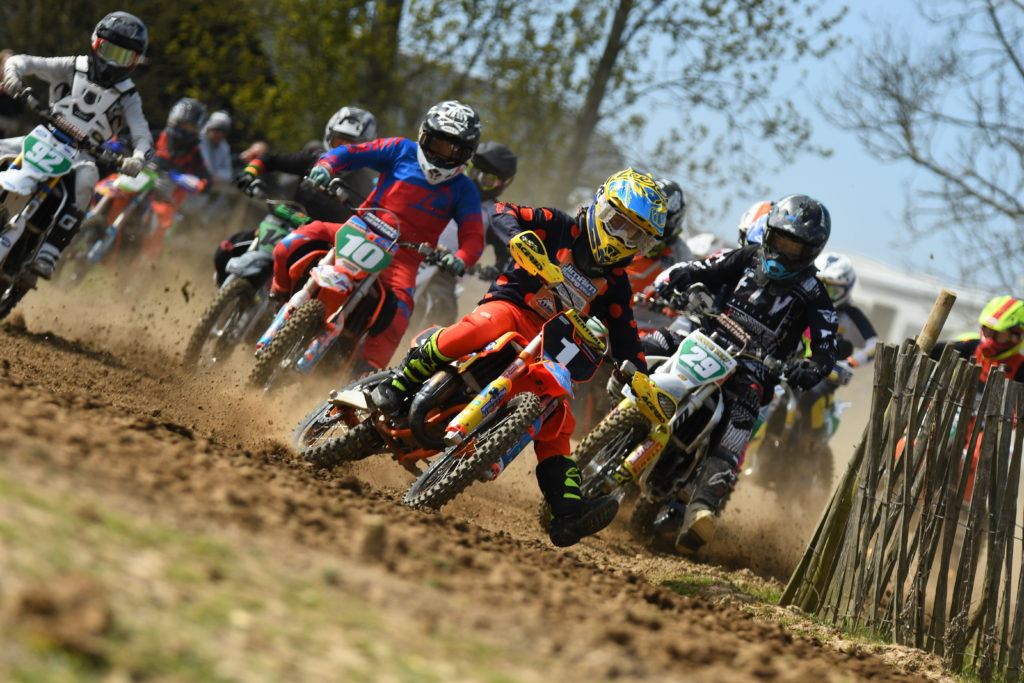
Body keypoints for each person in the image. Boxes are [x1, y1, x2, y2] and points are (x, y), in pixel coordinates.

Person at [371, 168, 668, 547]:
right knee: (479, 329)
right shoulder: (560, 226)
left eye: (636, 235)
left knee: (558, 416)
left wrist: (640, 378)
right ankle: (401, 384)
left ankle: (567, 512)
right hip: (511, 308)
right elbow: (503, 211)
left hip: (551, 344)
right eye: (618, 223)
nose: (623, 238)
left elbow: (626, 336)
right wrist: (519, 238)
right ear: (600, 207)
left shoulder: (617, 283)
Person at [652, 194, 837, 553]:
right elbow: (702, 268)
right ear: (768, 233)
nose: (783, 252)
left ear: (811, 251)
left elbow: (826, 347)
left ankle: (702, 506)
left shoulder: (815, 294)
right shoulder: (747, 256)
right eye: (780, 239)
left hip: (754, 368)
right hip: (707, 338)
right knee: (656, 342)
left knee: (741, 418)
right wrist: (673, 279)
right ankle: (620, 405)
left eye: (794, 247)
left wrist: (812, 368)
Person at [271, 100, 485, 373]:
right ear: (424, 135)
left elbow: (473, 235)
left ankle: (364, 375)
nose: (443, 155)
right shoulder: (400, 149)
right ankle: (278, 297)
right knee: (288, 245)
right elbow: (351, 152)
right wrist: (326, 165)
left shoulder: (464, 189)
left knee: (399, 316)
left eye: (454, 150)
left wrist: (461, 259)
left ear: (467, 154)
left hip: (403, 258)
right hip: (357, 228)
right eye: (437, 144)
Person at [0, 11, 153, 277]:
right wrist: (13, 75)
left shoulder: (129, 96)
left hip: (82, 154)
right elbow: (22, 61)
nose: (112, 62)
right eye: (109, 51)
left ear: (134, 61)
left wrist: (138, 158)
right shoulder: (72, 65)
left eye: (123, 56)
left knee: (86, 182)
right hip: (44, 136)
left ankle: (50, 253)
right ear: (96, 43)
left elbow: (142, 135)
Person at [217, 105, 378, 285]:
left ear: (365, 148)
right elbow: (270, 159)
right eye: (338, 143)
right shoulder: (313, 159)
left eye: (351, 147)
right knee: (224, 251)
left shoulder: (365, 184)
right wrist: (249, 173)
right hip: (283, 221)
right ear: (328, 138)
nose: (343, 151)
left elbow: (370, 218)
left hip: (317, 246)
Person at [410, 141, 518, 330]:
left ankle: (421, 346)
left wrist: (495, 270)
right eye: (473, 172)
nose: (475, 181)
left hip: (445, 271)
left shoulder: (495, 214)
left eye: (486, 180)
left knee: (442, 310)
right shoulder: (444, 183)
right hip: (411, 250)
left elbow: (507, 251)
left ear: (502, 183)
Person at [932, 296, 1024, 384]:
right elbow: (934, 351)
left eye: (996, 332)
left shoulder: (1020, 366)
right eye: (986, 328)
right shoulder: (971, 346)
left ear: (1016, 337)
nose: (988, 336)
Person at [199, 110, 234, 186]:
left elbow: (228, 172)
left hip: (208, 185)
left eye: (223, 132)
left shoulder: (224, 148)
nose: (219, 135)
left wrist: (219, 175)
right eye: (216, 130)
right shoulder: (198, 140)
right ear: (209, 129)